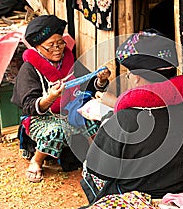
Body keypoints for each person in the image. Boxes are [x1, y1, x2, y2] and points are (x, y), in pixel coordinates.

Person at [81, 30, 183, 203]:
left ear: (137, 78)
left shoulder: (124, 120)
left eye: (129, 73)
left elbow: (97, 174)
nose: (128, 76)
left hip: (141, 202)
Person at [11, 14, 111, 183]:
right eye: (51, 45)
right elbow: (29, 106)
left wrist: (100, 80)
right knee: (57, 130)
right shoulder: (29, 69)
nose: (58, 49)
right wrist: (51, 97)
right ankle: (37, 160)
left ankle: (97, 157)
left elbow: (88, 85)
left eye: (60, 43)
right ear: (38, 47)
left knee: (94, 118)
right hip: (41, 117)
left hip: (69, 111)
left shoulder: (68, 61)